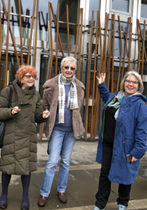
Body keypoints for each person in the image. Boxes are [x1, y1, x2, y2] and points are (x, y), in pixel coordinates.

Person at [0, 65, 50, 210]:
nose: (31, 79)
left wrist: (43, 116)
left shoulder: (36, 95)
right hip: (11, 134)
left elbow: (37, 115)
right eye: (28, 76)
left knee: (26, 167)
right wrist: (11, 111)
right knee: (7, 166)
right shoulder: (8, 91)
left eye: (33, 76)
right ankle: (4, 194)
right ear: (20, 78)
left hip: (28, 135)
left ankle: (25, 196)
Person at [93, 71, 147, 210]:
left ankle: (123, 203)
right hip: (108, 144)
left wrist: (138, 151)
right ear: (124, 82)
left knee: (125, 175)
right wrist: (101, 85)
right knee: (104, 174)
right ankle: (99, 204)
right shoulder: (117, 97)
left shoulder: (140, 104)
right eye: (128, 81)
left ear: (139, 86)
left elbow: (142, 130)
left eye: (134, 82)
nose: (130, 84)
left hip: (126, 147)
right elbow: (107, 98)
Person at [37, 56, 85, 207]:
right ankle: (44, 193)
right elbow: (44, 104)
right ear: (61, 68)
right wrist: (45, 113)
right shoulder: (51, 85)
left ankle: (61, 190)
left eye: (72, 68)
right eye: (66, 67)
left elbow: (78, 109)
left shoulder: (79, 87)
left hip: (71, 130)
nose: (69, 70)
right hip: (57, 129)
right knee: (52, 162)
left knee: (65, 162)